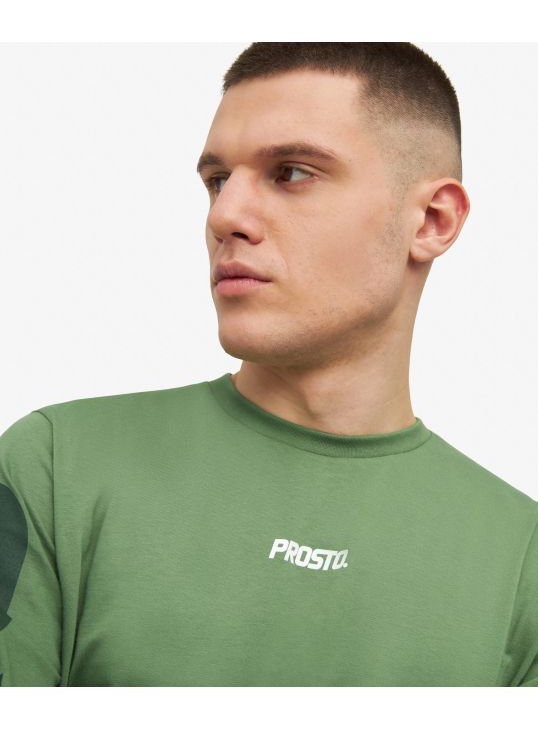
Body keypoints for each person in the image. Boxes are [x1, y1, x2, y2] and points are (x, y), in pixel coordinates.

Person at [0, 42, 537, 687]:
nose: (224, 215)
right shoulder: (56, 465)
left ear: (431, 220)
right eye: (217, 180)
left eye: (292, 173)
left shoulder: (521, 559)